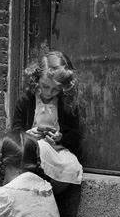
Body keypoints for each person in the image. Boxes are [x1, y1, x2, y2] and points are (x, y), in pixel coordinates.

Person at [12, 50, 82, 194]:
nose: (49, 93)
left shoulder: (65, 103)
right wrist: (27, 135)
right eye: (45, 86)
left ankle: (48, 195)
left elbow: (75, 136)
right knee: (41, 148)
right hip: (30, 149)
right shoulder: (26, 100)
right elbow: (14, 132)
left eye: (56, 89)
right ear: (36, 79)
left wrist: (60, 137)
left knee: (72, 167)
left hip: (57, 150)